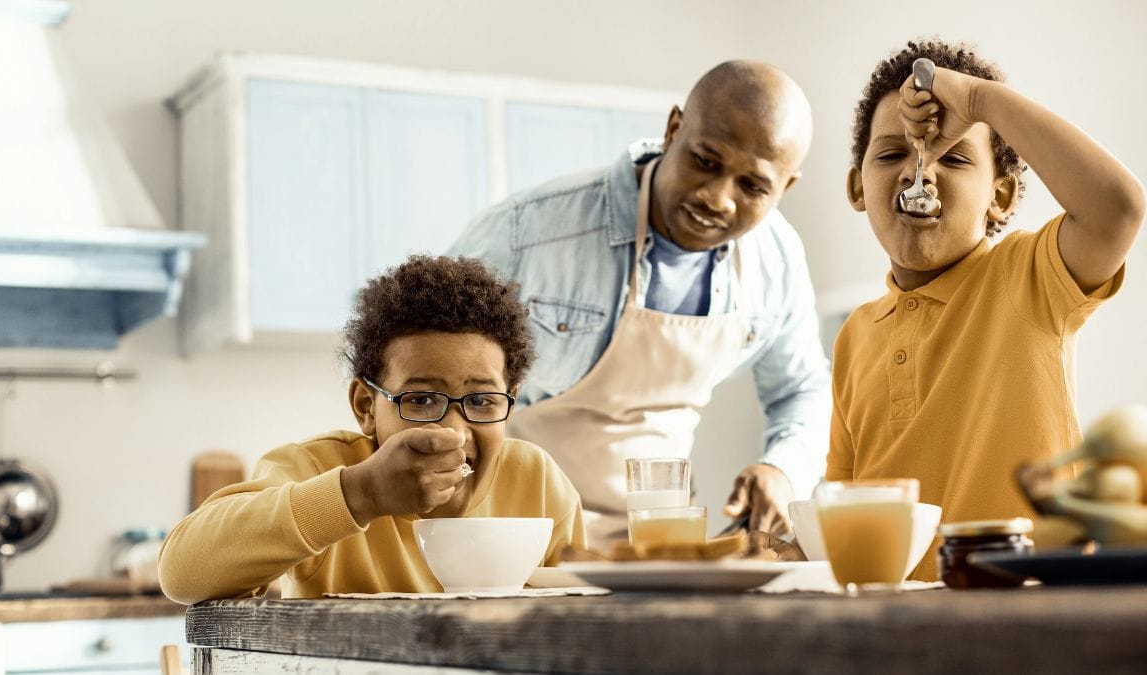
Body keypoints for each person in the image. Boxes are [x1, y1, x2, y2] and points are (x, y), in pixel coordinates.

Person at [449, 60, 830, 547]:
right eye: (706, 161)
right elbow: (429, 373)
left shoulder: (777, 259)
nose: (718, 199)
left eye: (752, 186)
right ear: (674, 129)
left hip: (660, 546)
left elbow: (801, 388)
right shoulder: (527, 233)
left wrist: (783, 469)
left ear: (785, 188)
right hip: (514, 536)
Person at [828, 40, 1145, 580]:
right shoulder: (855, 334)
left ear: (999, 197)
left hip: (1027, 616)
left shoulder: (1030, 279)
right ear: (858, 187)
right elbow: (843, 502)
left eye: (952, 157)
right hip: (894, 631)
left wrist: (978, 100)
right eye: (890, 154)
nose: (918, 173)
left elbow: (1117, 209)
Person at [158, 255, 586, 601]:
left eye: (480, 401)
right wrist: (361, 494)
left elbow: (583, 613)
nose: (454, 431)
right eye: (421, 400)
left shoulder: (538, 482)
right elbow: (181, 574)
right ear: (366, 406)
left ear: (509, 403)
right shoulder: (315, 468)